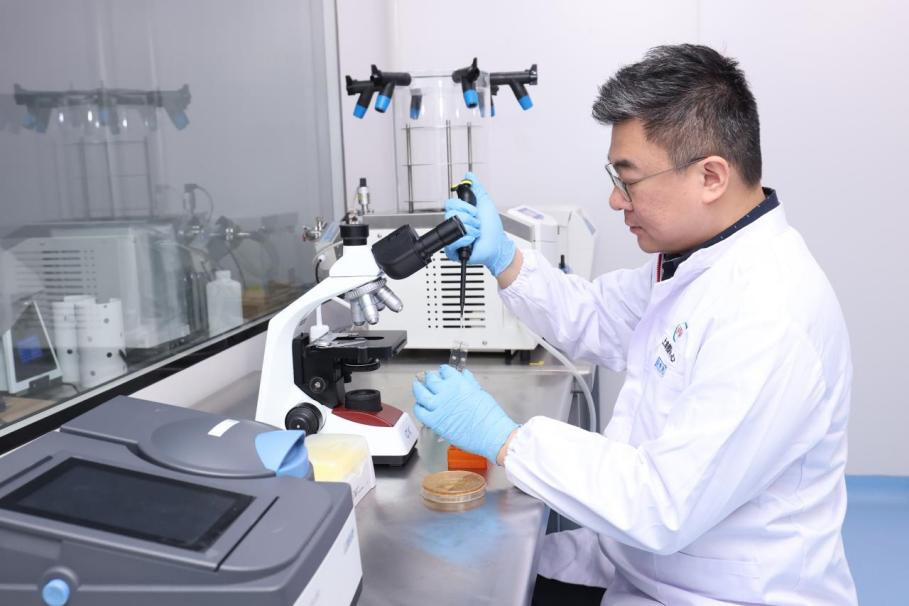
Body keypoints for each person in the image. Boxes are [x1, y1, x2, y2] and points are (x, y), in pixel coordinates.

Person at [412, 44, 857, 605]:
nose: (615, 199)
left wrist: (508, 440)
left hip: (722, 592)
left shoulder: (770, 314)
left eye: (629, 179)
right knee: (479, 575)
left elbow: (661, 505)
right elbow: (597, 315)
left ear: (711, 177)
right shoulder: (697, 261)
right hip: (646, 564)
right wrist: (507, 260)